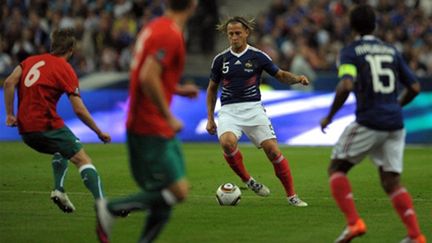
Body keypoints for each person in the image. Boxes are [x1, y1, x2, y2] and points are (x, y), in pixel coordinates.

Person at [320, 4, 426, 243]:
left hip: (369, 121)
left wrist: (330, 116)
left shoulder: (350, 52)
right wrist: (396, 106)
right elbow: (415, 87)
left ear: (351, 25)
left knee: (337, 168)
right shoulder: (390, 50)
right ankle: (415, 235)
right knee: (391, 181)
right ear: (374, 25)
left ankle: (354, 223)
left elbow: (346, 84)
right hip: (395, 124)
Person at [95, 0, 199, 242]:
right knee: (177, 191)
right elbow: (148, 76)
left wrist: (179, 90)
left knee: (167, 194)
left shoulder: (156, 26)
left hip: (152, 123)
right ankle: (109, 209)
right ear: (193, 5)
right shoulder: (169, 33)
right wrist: (168, 115)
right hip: (149, 124)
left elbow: (152, 73)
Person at [3, 28, 111, 213]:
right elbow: (79, 109)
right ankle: (104, 205)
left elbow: (8, 82)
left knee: (62, 148)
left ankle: (59, 190)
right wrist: (98, 131)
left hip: (25, 131)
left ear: (53, 45)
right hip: (45, 125)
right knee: (82, 158)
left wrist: (10, 114)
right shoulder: (65, 68)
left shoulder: (30, 61)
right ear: (71, 50)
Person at [206, 16, 309, 207]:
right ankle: (248, 181)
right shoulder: (220, 60)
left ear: (246, 33)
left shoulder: (258, 56)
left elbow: (280, 75)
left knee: (273, 151)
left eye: (238, 33)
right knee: (227, 143)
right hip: (229, 110)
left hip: (254, 109)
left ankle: (292, 195)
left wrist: (297, 78)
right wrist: (211, 118)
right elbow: (212, 89)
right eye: (230, 34)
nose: (234, 37)